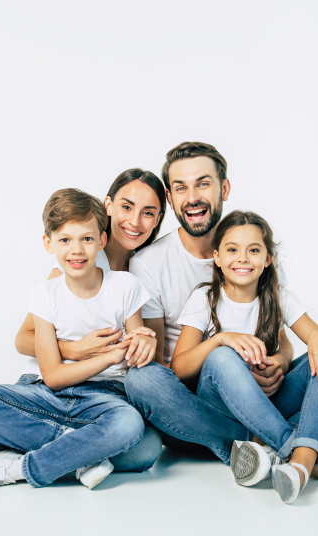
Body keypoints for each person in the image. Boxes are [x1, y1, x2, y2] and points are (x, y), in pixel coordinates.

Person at [0, 168, 166, 472]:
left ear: (99, 239)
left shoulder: (131, 281)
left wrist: (144, 343)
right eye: (126, 207)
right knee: (129, 443)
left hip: (103, 396)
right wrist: (81, 349)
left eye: (148, 212)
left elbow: (141, 350)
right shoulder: (51, 288)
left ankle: (30, 461)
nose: (135, 220)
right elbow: (44, 364)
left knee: (142, 443)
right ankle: (78, 449)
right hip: (45, 390)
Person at [125, 142, 293, 460]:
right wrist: (224, 363)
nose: (192, 198)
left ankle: (264, 439)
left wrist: (279, 364)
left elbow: (282, 341)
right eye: (180, 188)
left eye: (203, 183)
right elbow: (159, 364)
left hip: (262, 392)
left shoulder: (255, 254)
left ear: (224, 188)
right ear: (170, 197)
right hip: (196, 403)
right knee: (142, 380)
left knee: (316, 365)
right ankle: (269, 440)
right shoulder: (149, 262)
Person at [173, 210, 318, 504]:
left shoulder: (278, 296)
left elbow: (315, 337)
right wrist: (220, 339)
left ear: (267, 259)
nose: (242, 258)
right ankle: (297, 452)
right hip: (222, 406)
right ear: (216, 257)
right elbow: (179, 368)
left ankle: (298, 464)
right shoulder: (206, 298)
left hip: (270, 401)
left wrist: (283, 358)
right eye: (232, 250)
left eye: (253, 250)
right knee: (221, 357)